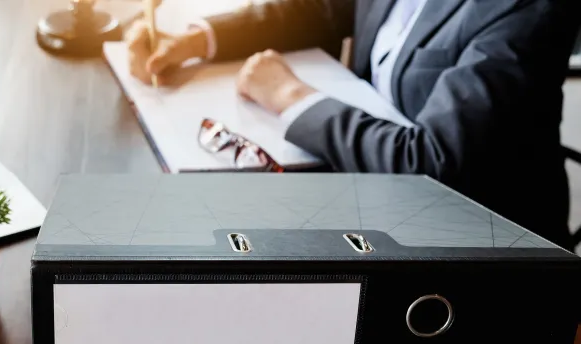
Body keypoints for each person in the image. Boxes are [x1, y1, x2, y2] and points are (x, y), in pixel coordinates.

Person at [126, 0, 581, 250]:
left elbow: (431, 161)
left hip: (476, 250)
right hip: (370, 193)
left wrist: (289, 96)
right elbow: (321, 10)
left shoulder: (532, 10)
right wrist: (200, 37)